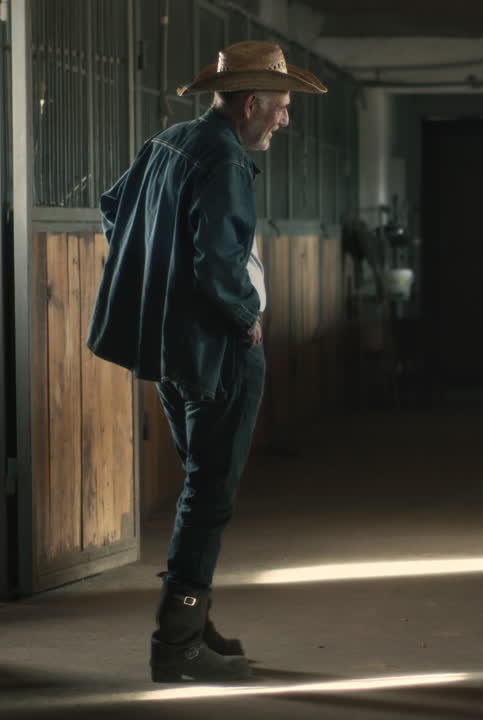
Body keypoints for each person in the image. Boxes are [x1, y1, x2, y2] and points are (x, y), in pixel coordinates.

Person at [86, 40, 326, 682]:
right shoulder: (222, 160)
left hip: (170, 345)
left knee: (200, 480)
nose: (284, 119)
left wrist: (157, 281)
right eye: (279, 107)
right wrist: (246, 315)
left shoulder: (170, 140)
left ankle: (191, 618)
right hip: (217, 348)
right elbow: (217, 264)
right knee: (209, 492)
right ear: (251, 104)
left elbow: (114, 210)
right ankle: (177, 640)